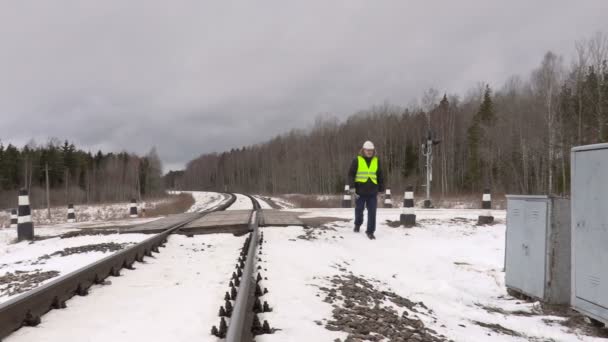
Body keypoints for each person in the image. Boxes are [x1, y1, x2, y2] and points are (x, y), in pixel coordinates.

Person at [348, 140, 385, 239]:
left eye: (371, 150)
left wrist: (381, 190)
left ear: (373, 151)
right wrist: (352, 187)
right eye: (367, 150)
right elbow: (351, 175)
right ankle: (357, 224)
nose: (369, 152)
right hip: (360, 191)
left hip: (373, 191)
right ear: (363, 150)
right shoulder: (357, 160)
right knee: (359, 210)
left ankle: (370, 231)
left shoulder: (376, 161)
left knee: (372, 212)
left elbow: (380, 176)